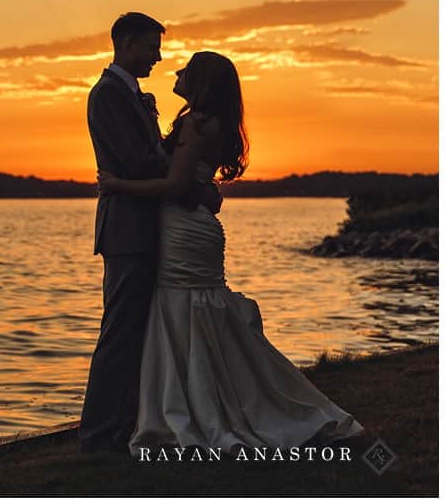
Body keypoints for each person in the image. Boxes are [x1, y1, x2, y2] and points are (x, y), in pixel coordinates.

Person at [98, 51, 364, 455]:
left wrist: (119, 186)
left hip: (184, 231)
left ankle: (202, 408)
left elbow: (173, 186)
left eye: (187, 69)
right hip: (189, 227)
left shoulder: (197, 123)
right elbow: (188, 181)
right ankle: (200, 401)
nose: (177, 71)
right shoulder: (207, 122)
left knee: (189, 313)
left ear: (202, 81)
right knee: (194, 316)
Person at [79, 13, 221, 454]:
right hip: (126, 230)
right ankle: (99, 436)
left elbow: (151, 154)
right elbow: (139, 161)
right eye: (150, 48)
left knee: (139, 333)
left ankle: (129, 424)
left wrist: (186, 167)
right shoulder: (107, 95)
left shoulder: (136, 95)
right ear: (125, 43)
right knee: (120, 333)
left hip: (148, 226)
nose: (158, 58)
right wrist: (190, 177)